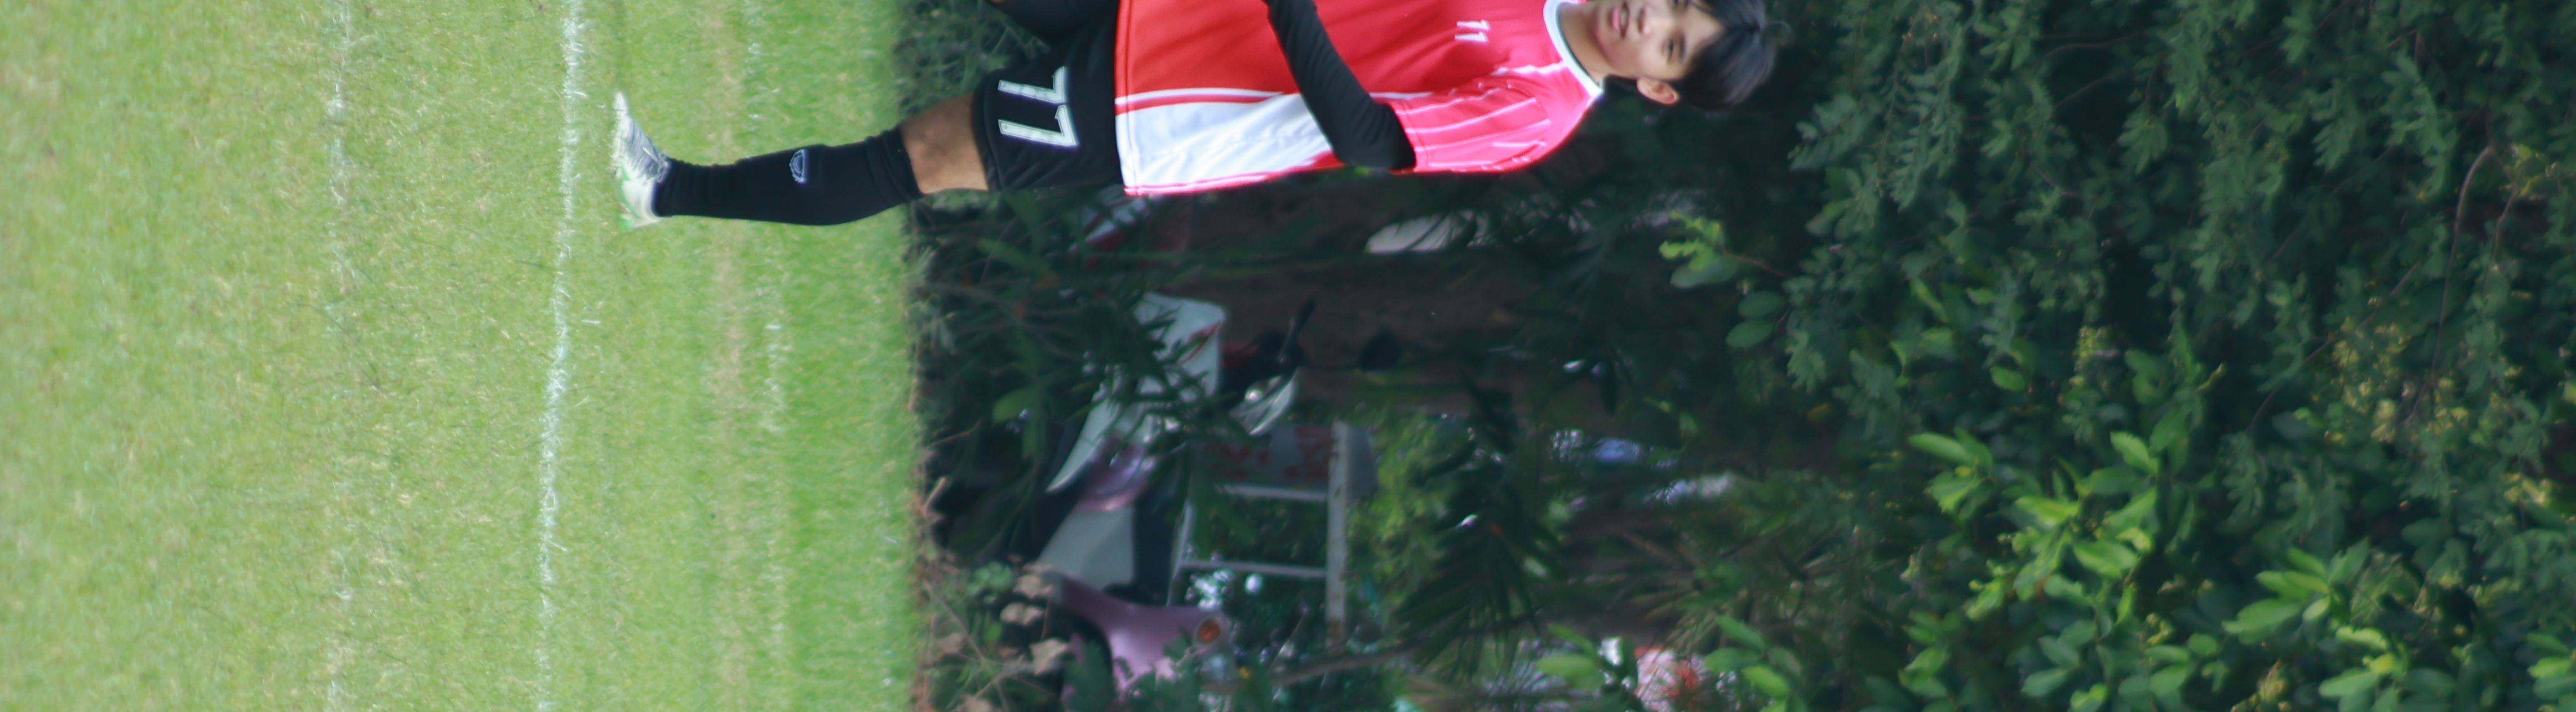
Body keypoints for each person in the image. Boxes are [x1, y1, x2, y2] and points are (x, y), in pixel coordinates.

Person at [605, 0, 1776, 231]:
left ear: (1658, 86)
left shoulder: (1539, 111)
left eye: (1671, 44)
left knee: (926, 153)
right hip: (1172, 11)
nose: (1649, 18)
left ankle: (664, 189)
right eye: (1675, 4)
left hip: (1173, 104)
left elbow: (1370, 143)